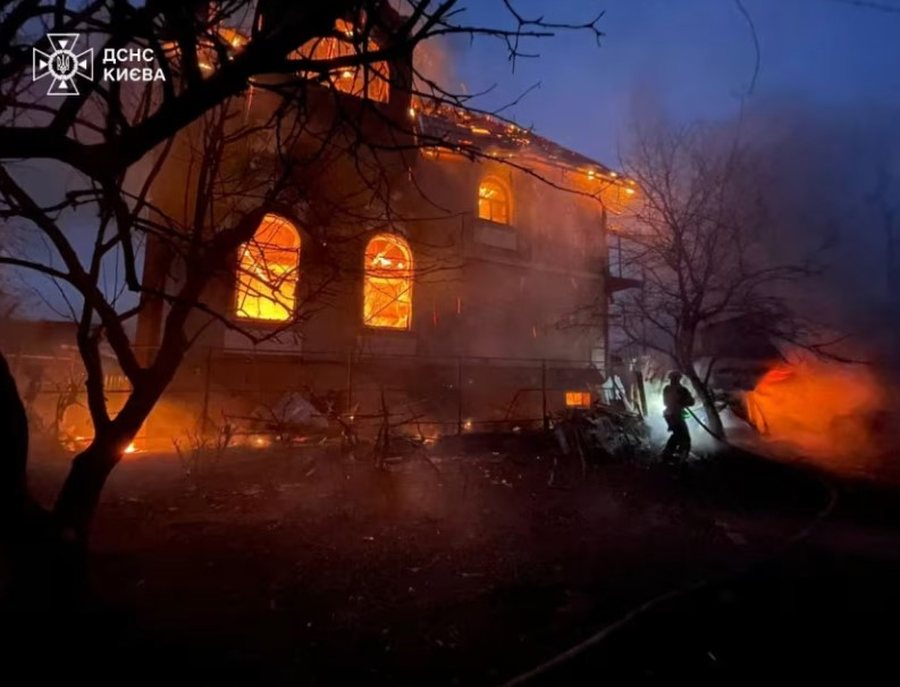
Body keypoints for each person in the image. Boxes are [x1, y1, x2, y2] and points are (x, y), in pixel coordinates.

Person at [662, 370, 695, 462]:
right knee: (684, 437)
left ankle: (670, 453)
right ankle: (680, 454)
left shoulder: (667, 389)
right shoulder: (681, 390)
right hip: (676, 416)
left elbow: (665, 403)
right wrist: (684, 402)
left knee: (677, 435)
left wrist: (683, 402)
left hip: (669, 415)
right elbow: (691, 402)